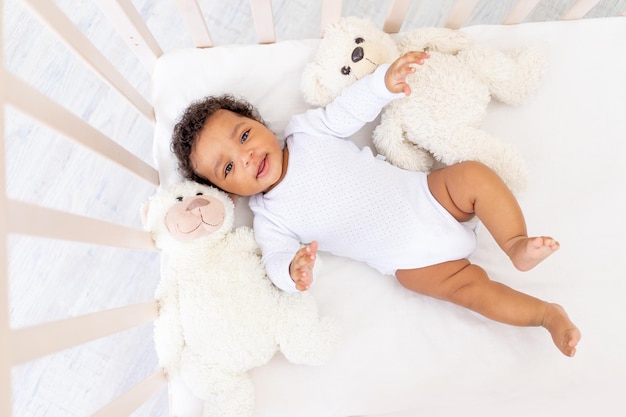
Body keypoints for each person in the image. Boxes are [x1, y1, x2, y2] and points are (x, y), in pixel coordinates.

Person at [171, 51, 581, 357]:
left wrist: (384, 82)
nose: (244, 157)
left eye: (243, 136)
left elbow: (347, 111)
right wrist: (291, 271)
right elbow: (275, 260)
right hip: (414, 264)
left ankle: (515, 244)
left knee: (472, 174)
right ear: (230, 194)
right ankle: (545, 314)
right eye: (227, 168)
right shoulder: (269, 218)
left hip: (432, 198)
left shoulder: (306, 133)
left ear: (259, 123)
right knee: (471, 292)